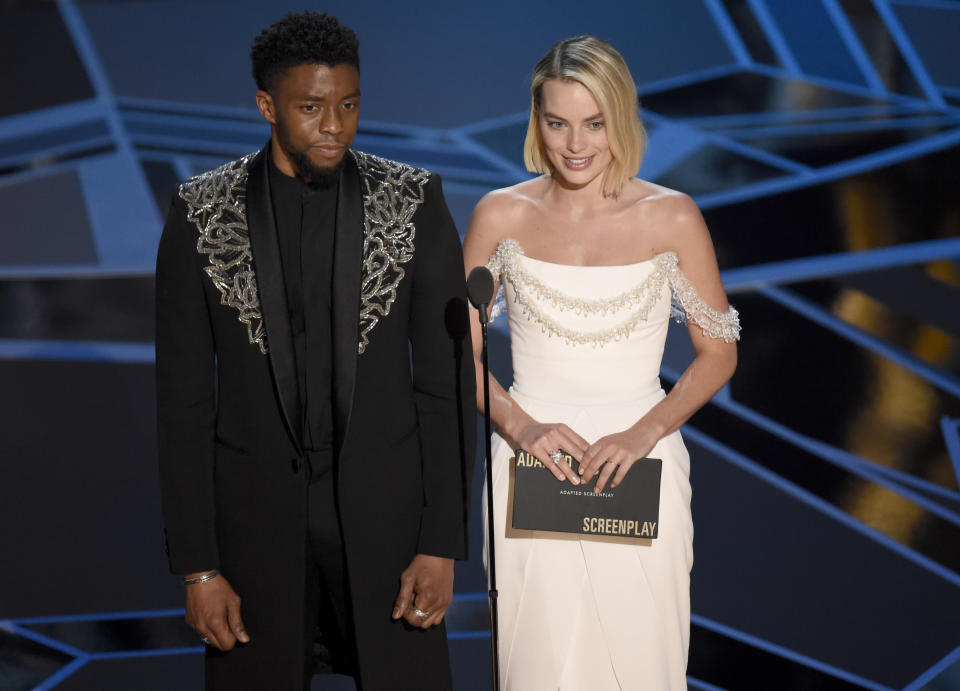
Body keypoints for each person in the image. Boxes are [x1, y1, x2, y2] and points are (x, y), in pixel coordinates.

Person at [155, 12, 475, 691]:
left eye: (349, 104)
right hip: (254, 536)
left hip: (390, 530)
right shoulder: (201, 212)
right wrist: (199, 567)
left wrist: (441, 540)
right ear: (267, 106)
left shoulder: (412, 201)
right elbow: (183, 402)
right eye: (311, 107)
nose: (335, 124)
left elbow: (444, 385)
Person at [463, 36, 740, 689]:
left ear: (621, 118)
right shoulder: (501, 213)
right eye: (557, 123)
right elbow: (456, 349)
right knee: (536, 662)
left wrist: (643, 432)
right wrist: (522, 427)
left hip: (641, 463)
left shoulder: (671, 215)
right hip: (527, 462)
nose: (575, 143)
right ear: (537, 122)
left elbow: (718, 353)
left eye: (594, 123)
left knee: (640, 660)